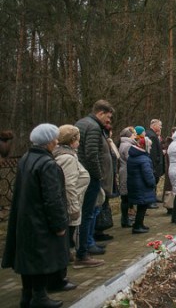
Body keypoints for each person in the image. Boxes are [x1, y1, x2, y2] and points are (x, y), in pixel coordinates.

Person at [2, 124, 68, 308]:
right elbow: (53, 198)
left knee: (29, 257)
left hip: (26, 217)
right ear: (48, 141)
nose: (56, 142)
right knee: (41, 258)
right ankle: (39, 298)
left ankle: (27, 294)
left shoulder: (26, 158)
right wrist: (59, 224)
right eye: (54, 139)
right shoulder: (47, 164)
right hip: (41, 219)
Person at [74, 99, 113, 268]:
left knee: (86, 213)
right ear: (100, 113)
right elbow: (91, 154)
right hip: (89, 177)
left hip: (81, 174)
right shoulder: (94, 127)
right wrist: (98, 175)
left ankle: (87, 245)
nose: (108, 121)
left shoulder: (81, 123)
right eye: (108, 117)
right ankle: (83, 252)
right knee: (88, 213)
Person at [51, 125, 89, 287]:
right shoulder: (67, 158)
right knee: (65, 242)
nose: (79, 142)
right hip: (70, 206)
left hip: (71, 203)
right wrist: (73, 208)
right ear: (72, 140)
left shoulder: (66, 155)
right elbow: (68, 185)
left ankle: (60, 274)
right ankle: (59, 277)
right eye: (78, 139)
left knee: (66, 242)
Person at [127, 127, 156, 234]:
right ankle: (138, 226)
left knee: (141, 206)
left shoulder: (133, 156)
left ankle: (139, 224)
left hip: (135, 184)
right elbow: (148, 174)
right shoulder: (144, 159)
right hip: (142, 186)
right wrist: (152, 183)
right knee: (142, 206)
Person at [118, 127, 136, 228]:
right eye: (133, 134)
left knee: (125, 197)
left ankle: (125, 218)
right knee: (126, 197)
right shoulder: (128, 146)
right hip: (127, 171)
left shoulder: (122, 144)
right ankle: (124, 219)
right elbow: (131, 159)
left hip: (124, 170)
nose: (135, 136)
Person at [146, 119, 164, 208]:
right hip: (153, 165)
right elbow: (152, 153)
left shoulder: (152, 134)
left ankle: (153, 197)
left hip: (154, 165)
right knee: (152, 182)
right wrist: (155, 163)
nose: (161, 127)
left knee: (154, 182)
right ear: (154, 125)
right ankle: (150, 201)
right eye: (160, 125)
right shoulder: (152, 136)